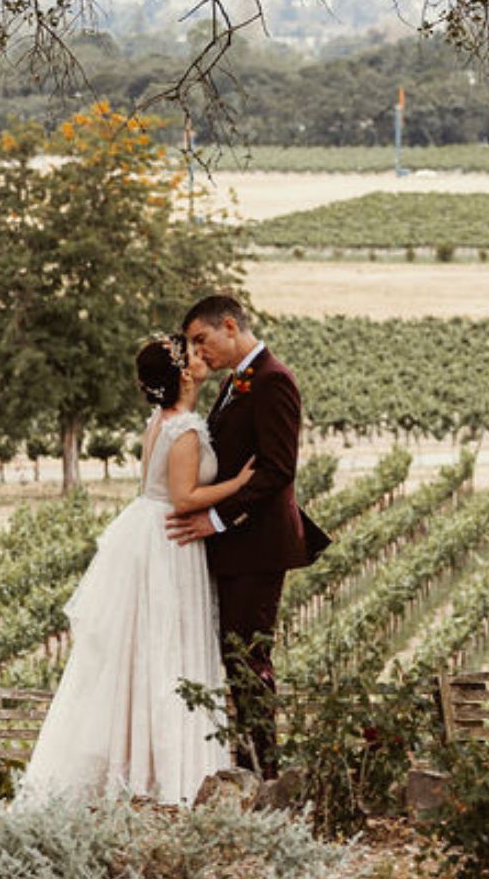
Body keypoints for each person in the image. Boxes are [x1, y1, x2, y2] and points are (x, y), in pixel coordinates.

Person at [15, 334, 257, 806]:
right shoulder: (183, 428)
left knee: (144, 651)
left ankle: (139, 769)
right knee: (167, 650)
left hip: (147, 533)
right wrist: (239, 482)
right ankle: (169, 779)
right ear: (183, 374)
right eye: (192, 354)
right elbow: (185, 498)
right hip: (169, 542)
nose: (201, 356)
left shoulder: (161, 420)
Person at [165, 294, 323, 778]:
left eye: (201, 339)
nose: (197, 352)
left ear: (229, 326)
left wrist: (214, 519)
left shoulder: (274, 380)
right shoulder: (236, 382)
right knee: (235, 658)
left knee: (250, 660)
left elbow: (277, 470)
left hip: (257, 546)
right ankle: (247, 764)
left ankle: (265, 772)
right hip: (233, 548)